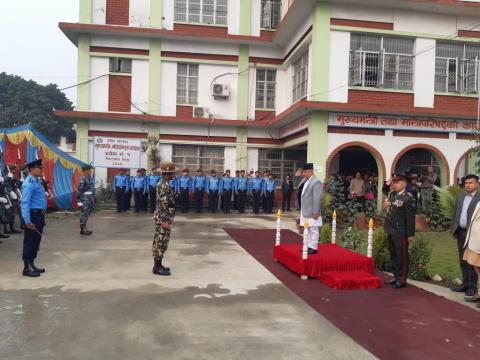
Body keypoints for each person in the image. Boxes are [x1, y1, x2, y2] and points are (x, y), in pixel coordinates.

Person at [384, 173, 416, 289]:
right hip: (391, 229)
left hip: (401, 231)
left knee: (401, 255)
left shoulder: (408, 198)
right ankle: (396, 276)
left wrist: (411, 234)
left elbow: (410, 217)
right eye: (394, 182)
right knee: (393, 254)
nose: (395, 185)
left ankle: (402, 279)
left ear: (404, 183)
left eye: (398, 182)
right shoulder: (393, 195)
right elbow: (385, 190)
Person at [450, 174, 480, 298]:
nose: (468, 185)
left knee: (472, 261)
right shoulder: (461, 196)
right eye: (466, 183)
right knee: (462, 259)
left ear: (477, 184)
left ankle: (472, 287)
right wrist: (454, 229)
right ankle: (465, 283)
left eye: (471, 183)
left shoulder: (478, 198)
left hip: (473, 234)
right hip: (460, 231)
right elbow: (456, 213)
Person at [20, 159, 47, 277]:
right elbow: (24, 203)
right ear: (32, 169)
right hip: (33, 215)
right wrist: (27, 221)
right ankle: (26, 267)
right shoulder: (29, 183)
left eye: (42, 167)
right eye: (40, 168)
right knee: (30, 241)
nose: (42, 170)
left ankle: (32, 263)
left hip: (39, 215)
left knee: (36, 241)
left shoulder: (36, 181)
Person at [152, 162, 177, 276]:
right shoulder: (164, 185)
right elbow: (163, 204)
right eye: (173, 172)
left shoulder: (165, 183)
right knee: (160, 242)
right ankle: (157, 268)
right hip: (163, 217)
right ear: (169, 173)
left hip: (164, 217)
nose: (174, 174)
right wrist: (165, 221)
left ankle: (159, 265)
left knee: (162, 241)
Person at [298, 163, 323, 254]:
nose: (303, 174)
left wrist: (315, 211)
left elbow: (317, 198)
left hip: (313, 211)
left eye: (304, 172)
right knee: (307, 229)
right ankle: (308, 246)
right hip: (305, 210)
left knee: (313, 229)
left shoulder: (316, 182)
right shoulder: (306, 180)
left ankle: (314, 247)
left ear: (310, 171)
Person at [462, 193, 480, 308]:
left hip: (478, 243)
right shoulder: (479, 202)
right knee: (477, 268)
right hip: (474, 241)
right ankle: (479, 293)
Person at [76, 165, 95, 236]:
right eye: (89, 170)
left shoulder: (89, 179)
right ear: (85, 171)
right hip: (85, 200)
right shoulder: (83, 179)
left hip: (90, 199)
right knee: (83, 214)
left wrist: (93, 198)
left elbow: (92, 190)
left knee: (87, 214)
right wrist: (78, 201)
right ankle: (82, 229)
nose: (90, 171)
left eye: (90, 170)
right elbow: (79, 190)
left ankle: (84, 227)